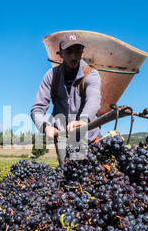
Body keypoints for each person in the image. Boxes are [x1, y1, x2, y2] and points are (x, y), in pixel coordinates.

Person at [31, 32, 102, 164]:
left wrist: (83, 120)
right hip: (63, 138)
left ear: (83, 52)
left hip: (88, 137)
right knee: (67, 177)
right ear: (61, 54)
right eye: (69, 51)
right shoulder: (51, 76)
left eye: (77, 51)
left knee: (92, 177)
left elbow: (93, 99)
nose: (74, 56)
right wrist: (45, 127)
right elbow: (37, 108)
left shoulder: (91, 74)